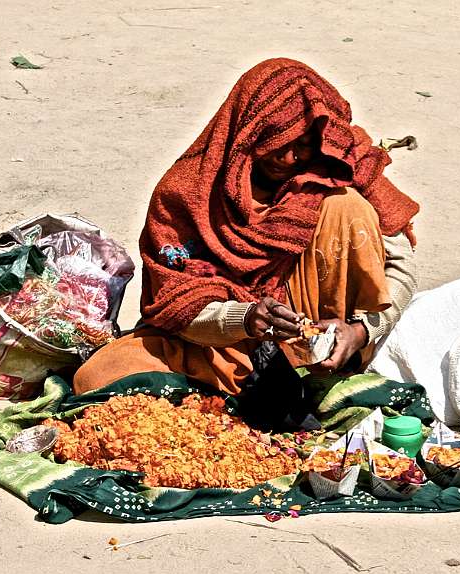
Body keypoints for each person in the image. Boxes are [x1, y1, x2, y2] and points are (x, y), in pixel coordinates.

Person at [73, 58, 420, 397]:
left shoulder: (342, 165)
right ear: (246, 132)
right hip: (222, 344)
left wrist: (359, 332)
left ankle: (322, 369)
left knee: (346, 206)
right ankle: (258, 389)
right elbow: (175, 301)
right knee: (97, 377)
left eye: (301, 147)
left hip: (312, 341)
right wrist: (246, 317)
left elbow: (400, 268)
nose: (288, 160)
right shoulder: (187, 193)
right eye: (275, 144)